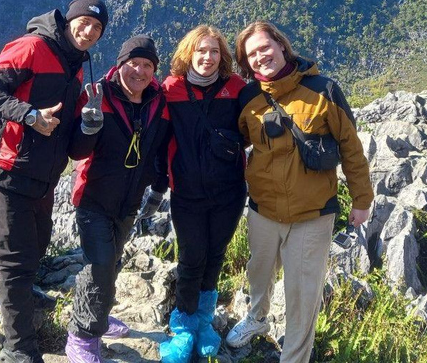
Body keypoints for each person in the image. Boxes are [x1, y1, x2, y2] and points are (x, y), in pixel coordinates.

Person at [226, 21, 374, 363]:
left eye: (265, 47)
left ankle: (294, 357)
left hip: (312, 214)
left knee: (302, 294)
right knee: (258, 273)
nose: (261, 56)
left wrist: (362, 200)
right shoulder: (248, 99)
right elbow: (238, 141)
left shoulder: (324, 91)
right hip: (263, 209)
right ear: (246, 65)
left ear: (281, 45)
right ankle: (257, 319)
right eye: (252, 55)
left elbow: (351, 148)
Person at [0, 0, 109, 363]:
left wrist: (90, 126)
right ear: (69, 20)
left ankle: (22, 300)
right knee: (15, 264)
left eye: (97, 28)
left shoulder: (77, 66)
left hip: (44, 179)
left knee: (36, 249)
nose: (89, 31)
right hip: (7, 173)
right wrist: (30, 115)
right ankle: (18, 349)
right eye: (84, 22)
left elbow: (74, 149)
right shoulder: (32, 47)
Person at [64, 35, 170, 363]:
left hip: (129, 200)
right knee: (99, 266)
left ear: (154, 70)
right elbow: (77, 150)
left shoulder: (158, 103)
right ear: (121, 64)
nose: (139, 70)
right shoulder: (97, 96)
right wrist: (89, 125)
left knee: (111, 263)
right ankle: (81, 336)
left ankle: (99, 316)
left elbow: (161, 148)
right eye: (133, 63)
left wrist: (159, 188)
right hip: (93, 197)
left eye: (147, 65)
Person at [149, 26, 247, 362]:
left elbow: (251, 129)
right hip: (187, 192)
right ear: (188, 53)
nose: (207, 57)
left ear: (223, 57)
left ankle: (204, 321)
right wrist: (156, 184)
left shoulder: (235, 88)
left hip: (230, 192)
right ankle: (183, 326)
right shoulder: (171, 89)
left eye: (214, 51)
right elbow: (159, 139)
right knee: (192, 257)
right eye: (201, 51)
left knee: (215, 255)